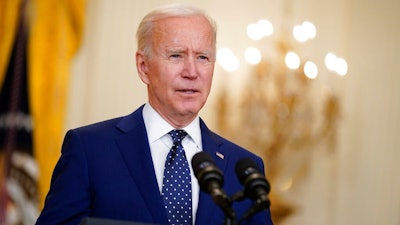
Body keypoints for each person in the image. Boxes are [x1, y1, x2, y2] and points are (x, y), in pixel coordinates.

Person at [35, 3, 273, 225]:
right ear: (143, 66)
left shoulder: (246, 168)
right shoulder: (89, 150)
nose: (192, 72)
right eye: (176, 55)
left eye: (203, 57)